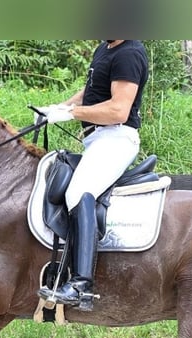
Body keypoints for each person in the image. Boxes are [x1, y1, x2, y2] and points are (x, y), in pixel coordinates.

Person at [35, 40, 149, 309]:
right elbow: (92, 91)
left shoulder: (129, 53)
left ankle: (80, 285)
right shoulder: (105, 49)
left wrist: (72, 114)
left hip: (116, 138)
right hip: (96, 140)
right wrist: (58, 108)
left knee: (78, 192)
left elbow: (118, 109)